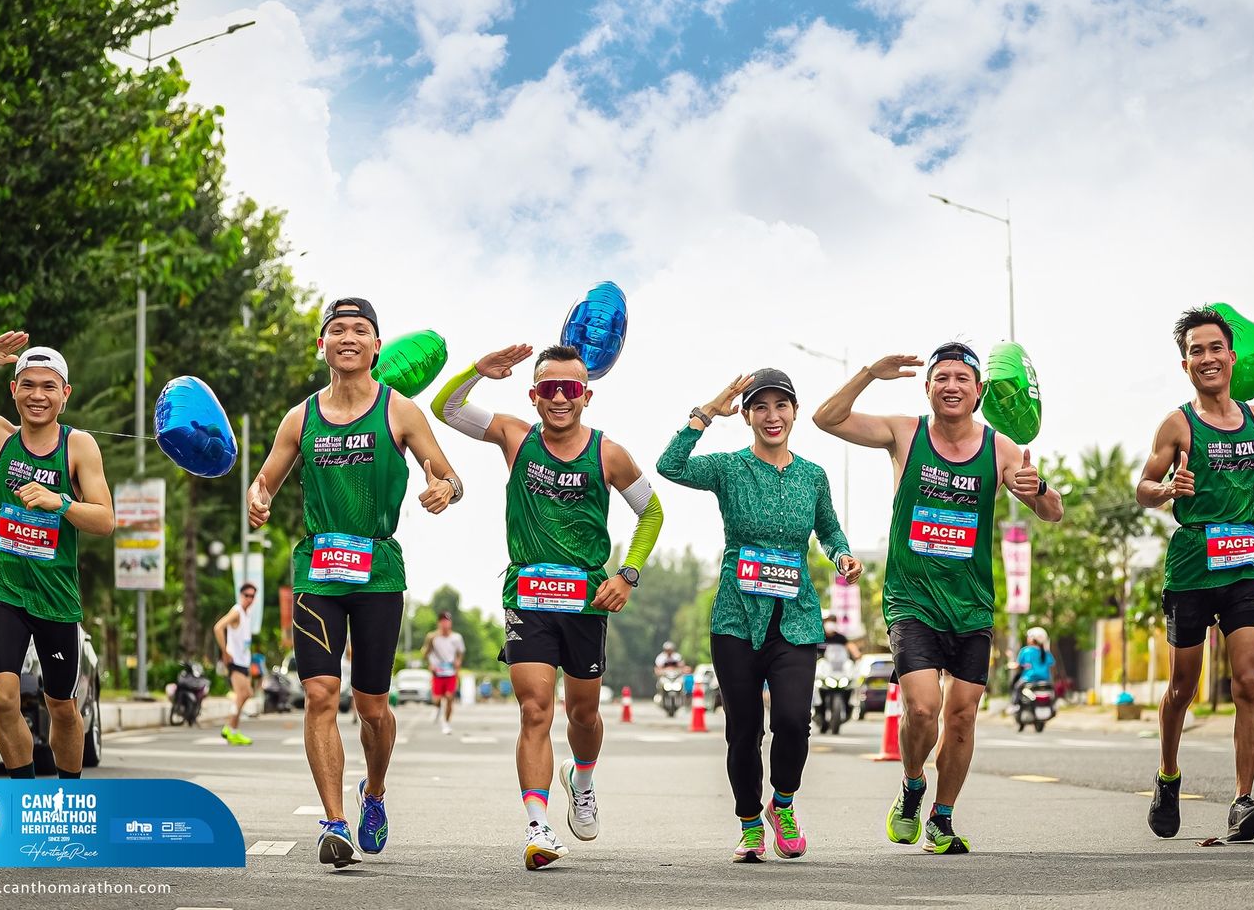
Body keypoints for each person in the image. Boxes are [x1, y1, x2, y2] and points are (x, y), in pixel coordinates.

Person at [814, 344, 1062, 854]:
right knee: (924, 709)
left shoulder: (1001, 449)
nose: (951, 385)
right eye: (941, 377)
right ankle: (911, 786)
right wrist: (869, 372)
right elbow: (825, 418)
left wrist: (1036, 490)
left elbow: (1052, 511)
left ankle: (941, 819)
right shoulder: (905, 433)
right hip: (913, 599)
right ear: (928, 387)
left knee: (964, 713)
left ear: (978, 391)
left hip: (971, 604)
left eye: (962, 378)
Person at [247, 298, 463, 868]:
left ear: (375, 346)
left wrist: (445, 489)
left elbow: (447, 474)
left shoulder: (402, 411)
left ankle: (374, 792)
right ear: (322, 346)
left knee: (372, 705)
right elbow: (266, 478)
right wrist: (258, 497)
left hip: (377, 575)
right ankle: (334, 821)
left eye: (359, 331)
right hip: (317, 571)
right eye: (336, 330)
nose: (347, 338)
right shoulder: (300, 417)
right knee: (319, 693)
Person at [432, 343, 664, 870]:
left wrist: (627, 575)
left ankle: (581, 778)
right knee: (535, 709)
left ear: (587, 395)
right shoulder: (516, 436)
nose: (560, 398)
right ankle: (538, 827)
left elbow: (651, 513)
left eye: (571, 388)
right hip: (528, 598)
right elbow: (445, 408)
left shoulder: (610, 454)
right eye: (550, 389)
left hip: (587, 603)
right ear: (534, 395)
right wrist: (476, 372)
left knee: (583, 712)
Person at [657, 369, 861, 863]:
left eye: (782, 406)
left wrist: (843, 556)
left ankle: (782, 804)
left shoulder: (812, 475)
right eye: (761, 407)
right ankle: (750, 823)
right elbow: (670, 466)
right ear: (746, 415)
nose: (773, 416)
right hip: (736, 618)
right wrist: (707, 411)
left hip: (795, 617)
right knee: (744, 729)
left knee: (793, 720)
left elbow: (829, 532)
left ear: (794, 411)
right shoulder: (728, 468)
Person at [0, 334, 114, 779]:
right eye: (27, 385)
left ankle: (66, 798)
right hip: (6, 590)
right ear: (13, 390)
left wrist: (59, 502)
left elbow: (105, 519)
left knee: (62, 707)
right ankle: (23, 795)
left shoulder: (79, 446)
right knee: (3, 695)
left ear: (65, 394)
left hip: (57, 598)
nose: (37, 395)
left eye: (49, 386)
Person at [1136, 306, 1254, 843]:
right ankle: (1168, 776)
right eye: (1196, 351)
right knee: (1184, 687)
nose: (1207, 358)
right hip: (1192, 567)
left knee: (1248, 679)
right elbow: (1143, 488)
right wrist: (1167, 491)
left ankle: (1242, 800)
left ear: (1231, 356)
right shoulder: (1177, 424)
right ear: (1186, 364)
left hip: (1246, 560)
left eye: (1215, 348)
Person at [213, 582, 259, 745]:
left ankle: (231, 728)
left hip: (243, 661)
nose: (250, 599)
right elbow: (218, 628)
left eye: (252, 596)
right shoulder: (237, 612)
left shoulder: (247, 614)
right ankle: (231, 729)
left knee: (247, 693)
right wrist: (225, 651)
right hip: (235, 661)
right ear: (241, 596)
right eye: (247, 595)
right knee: (242, 694)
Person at [423, 611, 466, 734]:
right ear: (439, 623)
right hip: (437, 672)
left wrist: (458, 663)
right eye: (442, 621)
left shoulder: (456, 638)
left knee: (449, 697)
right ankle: (436, 708)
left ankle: (446, 723)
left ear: (450, 623)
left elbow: (460, 653)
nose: (445, 623)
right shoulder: (432, 637)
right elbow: (425, 653)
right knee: (437, 699)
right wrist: (430, 665)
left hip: (451, 672)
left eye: (447, 621)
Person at [1011, 626, 1054, 705]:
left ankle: (1014, 706)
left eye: (1029, 637)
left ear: (1032, 639)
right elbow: (1051, 665)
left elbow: (1018, 665)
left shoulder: (1026, 650)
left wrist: (1011, 665)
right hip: (1045, 679)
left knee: (1017, 687)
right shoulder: (1046, 652)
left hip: (1029, 678)